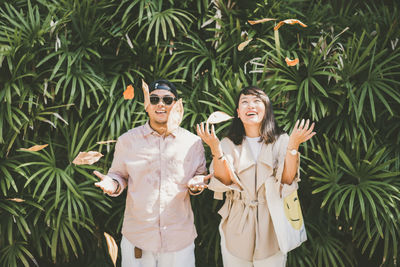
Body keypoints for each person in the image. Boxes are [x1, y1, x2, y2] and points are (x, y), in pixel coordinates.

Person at [94, 79, 210, 267]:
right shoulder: (127, 141)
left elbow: (200, 176)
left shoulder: (193, 143)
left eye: (167, 100)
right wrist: (112, 184)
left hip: (179, 239)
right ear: (147, 105)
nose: (160, 104)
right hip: (138, 238)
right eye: (154, 99)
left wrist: (198, 183)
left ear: (177, 105)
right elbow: (118, 175)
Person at [197, 86, 316, 267]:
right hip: (236, 226)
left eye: (256, 101)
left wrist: (293, 147)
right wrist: (215, 149)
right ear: (238, 112)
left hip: (272, 225)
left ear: (266, 108)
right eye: (244, 102)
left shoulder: (281, 140)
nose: (250, 106)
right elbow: (225, 181)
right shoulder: (227, 143)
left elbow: (287, 181)